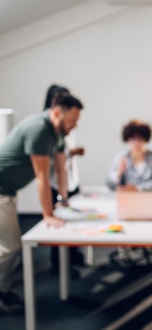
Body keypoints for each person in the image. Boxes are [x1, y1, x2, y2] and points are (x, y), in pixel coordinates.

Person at [0, 93, 83, 314]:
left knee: (7, 246)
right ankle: (2, 291)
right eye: (72, 121)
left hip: (7, 190)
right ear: (57, 113)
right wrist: (47, 214)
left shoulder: (57, 133)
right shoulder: (38, 129)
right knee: (11, 247)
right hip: (1, 191)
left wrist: (63, 200)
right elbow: (42, 176)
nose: (74, 126)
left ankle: (3, 288)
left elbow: (61, 167)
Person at [106, 120, 152, 266]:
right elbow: (110, 184)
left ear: (146, 139)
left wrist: (137, 188)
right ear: (127, 140)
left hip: (149, 203)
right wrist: (119, 172)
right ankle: (124, 255)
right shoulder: (121, 158)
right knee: (123, 225)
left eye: (140, 139)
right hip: (128, 204)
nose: (136, 143)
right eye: (133, 139)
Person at [43, 85, 85, 277]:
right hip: (56, 183)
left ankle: (71, 257)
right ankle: (58, 266)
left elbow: (62, 167)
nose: (74, 124)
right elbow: (47, 171)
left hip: (68, 181)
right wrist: (60, 195)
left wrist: (64, 194)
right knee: (57, 224)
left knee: (71, 222)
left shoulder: (63, 131)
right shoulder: (45, 130)